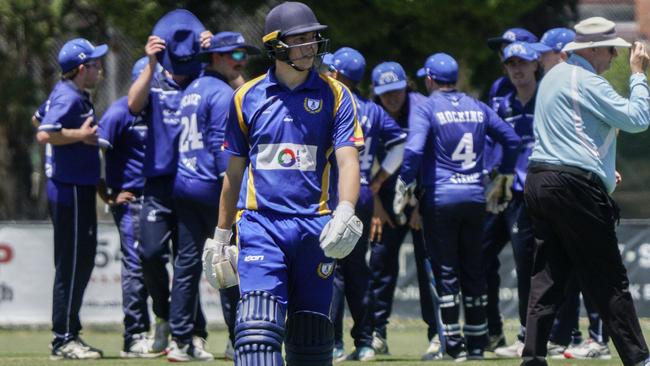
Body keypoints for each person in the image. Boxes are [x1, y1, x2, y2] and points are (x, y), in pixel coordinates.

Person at [202, 2, 364, 365]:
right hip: (261, 226)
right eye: (299, 39)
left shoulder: (336, 95)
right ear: (276, 45)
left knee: (312, 337)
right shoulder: (247, 97)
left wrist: (346, 209)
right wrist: (222, 235)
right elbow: (233, 174)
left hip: (316, 228)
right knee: (256, 331)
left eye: (313, 38)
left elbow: (348, 159)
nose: (310, 46)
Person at [522, 16, 650, 366]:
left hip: (540, 181)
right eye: (611, 49)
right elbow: (638, 118)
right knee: (609, 279)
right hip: (573, 188)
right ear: (592, 49)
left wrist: (604, 170)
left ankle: (532, 358)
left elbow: (573, 134)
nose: (615, 57)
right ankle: (639, 359)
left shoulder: (552, 78)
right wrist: (639, 75)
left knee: (546, 278)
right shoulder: (587, 81)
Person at [395, 52, 521, 361]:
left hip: (441, 198)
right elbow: (512, 140)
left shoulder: (426, 107)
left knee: (447, 271)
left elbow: (412, 151)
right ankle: (477, 343)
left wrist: (404, 184)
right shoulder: (476, 105)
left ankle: (453, 346)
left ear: (429, 80)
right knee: (474, 270)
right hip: (475, 197)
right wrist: (501, 176)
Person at [127, 9, 212, 361]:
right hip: (159, 185)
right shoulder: (154, 77)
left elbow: (237, 94)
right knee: (148, 254)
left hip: (194, 182)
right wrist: (150, 63)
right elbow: (132, 105)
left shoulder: (204, 77)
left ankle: (192, 333)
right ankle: (163, 315)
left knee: (188, 264)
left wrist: (212, 52)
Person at [177, 30, 260, 361]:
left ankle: (182, 341)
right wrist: (235, 192)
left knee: (186, 264)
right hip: (212, 189)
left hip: (183, 185)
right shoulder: (223, 93)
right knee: (228, 262)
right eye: (235, 55)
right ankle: (235, 338)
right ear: (216, 57)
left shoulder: (191, 89)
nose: (241, 62)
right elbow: (221, 152)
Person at [325, 47, 406, 362]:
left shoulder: (332, 102)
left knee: (331, 271)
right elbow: (400, 145)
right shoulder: (373, 110)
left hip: (335, 194)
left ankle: (333, 344)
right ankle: (365, 340)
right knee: (358, 270)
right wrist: (378, 179)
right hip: (362, 195)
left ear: (340, 75)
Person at [36, 37, 107, 360]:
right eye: (94, 64)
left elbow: (39, 117)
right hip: (70, 189)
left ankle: (68, 333)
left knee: (79, 262)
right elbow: (44, 132)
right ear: (81, 69)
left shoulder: (67, 93)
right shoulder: (67, 95)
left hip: (74, 187)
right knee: (72, 264)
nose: (99, 69)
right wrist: (83, 136)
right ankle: (63, 338)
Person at [367, 61, 439, 359]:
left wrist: (420, 205)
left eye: (396, 91)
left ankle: (437, 334)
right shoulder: (372, 114)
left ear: (406, 87)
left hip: (423, 198)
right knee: (380, 267)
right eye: (385, 93)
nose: (392, 98)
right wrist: (376, 207)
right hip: (386, 201)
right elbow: (362, 165)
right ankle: (376, 333)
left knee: (428, 269)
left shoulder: (423, 108)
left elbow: (434, 161)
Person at [96, 56, 162, 358]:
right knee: (136, 269)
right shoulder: (119, 112)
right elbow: (91, 153)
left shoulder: (160, 112)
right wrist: (106, 195)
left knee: (159, 269)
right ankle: (134, 336)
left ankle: (174, 332)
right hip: (133, 202)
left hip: (162, 202)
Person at [480, 41, 539, 358]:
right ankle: (491, 331)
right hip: (500, 193)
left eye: (522, 62)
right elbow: (491, 144)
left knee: (526, 264)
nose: (517, 69)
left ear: (535, 65)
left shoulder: (547, 98)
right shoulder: (501, 103)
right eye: (510, 63)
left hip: (531, 195)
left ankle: (528, 334)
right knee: (480, 255)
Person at [485, 28, 538, 111]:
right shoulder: (499, 86)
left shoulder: (545, 87)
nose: (503, 58)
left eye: (511, 50)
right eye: (502, 52)